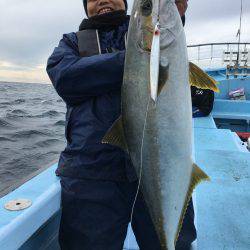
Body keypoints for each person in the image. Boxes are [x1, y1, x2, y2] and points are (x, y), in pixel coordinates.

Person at [47, 0, 196, 249]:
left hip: (160, 164)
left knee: (175, 243)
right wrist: (137, 58)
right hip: (90, 171)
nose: (102, 0)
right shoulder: (71, 43)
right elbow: (65, 77)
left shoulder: (142, 31)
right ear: (86, 7)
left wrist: (175, 15)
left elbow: (166, 37)